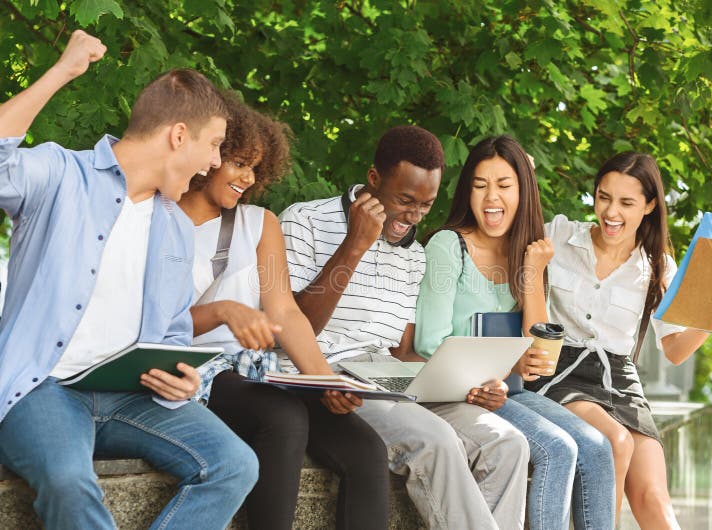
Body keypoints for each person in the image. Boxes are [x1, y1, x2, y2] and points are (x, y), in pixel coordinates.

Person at [0, 30, 258, 529]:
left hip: (132, 395)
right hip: (44, 389)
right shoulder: (62, 175)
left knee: (235, 464)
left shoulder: (176, 229)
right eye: (214, 145)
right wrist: (63, 71)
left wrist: (186, 379)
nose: (213, 162)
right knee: (68, 481)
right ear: (178, 135)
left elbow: (173, 335)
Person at [279, 125, 530, 530]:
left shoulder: (413, 255)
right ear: (374, 180)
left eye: (426, 205)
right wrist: (355, 245)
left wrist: (470, 382)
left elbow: (402, 352)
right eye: (405, 201)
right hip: (324, 376)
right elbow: (292, 327)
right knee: (437, 441)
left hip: (385, 377)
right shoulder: (304, 221)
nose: (413, 217)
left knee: (507, 443)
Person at [178, 93, 389, 530]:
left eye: (254, 168)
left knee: (366, 448)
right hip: (193, 371)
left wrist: (325, 382)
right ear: (210, 155)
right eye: (238, 162)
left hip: (255, 372)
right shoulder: (159, 215)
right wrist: (224, 312)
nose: (247, 177)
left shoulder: (259, 223)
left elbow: (285, 313)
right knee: (282, 416)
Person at [526, 151, 712, 528]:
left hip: (619, 380)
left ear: (649, 205)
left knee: (655, 499)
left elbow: (675, 351)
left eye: (627, 202)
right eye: (604, 197)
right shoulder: (561, 234)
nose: (611, 212)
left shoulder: (658, 267)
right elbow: (514, 231)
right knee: (614, 442)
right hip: (560, 370)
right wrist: (520, 170)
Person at [413, 135, 616, 530]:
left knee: (596, 447)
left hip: (512, 390)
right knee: (557, 449)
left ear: (523, 192)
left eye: (504, 185)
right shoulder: (447, 246)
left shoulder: (525, 251)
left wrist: (532, 274)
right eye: (480, 184)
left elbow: (538, 356)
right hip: (463, 392)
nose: (492, 197)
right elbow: (427, 342)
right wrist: (502, 365)